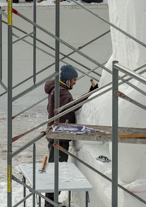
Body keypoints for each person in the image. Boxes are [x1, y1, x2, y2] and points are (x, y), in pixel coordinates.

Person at [44, 65, 98, 205]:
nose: (75, 82)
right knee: (57, 171)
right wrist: (89, 94)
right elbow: (70, 106)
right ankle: (51, 203)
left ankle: (51, 202)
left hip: (59, 135)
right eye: (74, 80)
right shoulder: (60, 91)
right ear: (67, 80)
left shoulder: (58, 89)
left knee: (56, 169)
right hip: (59, 136)